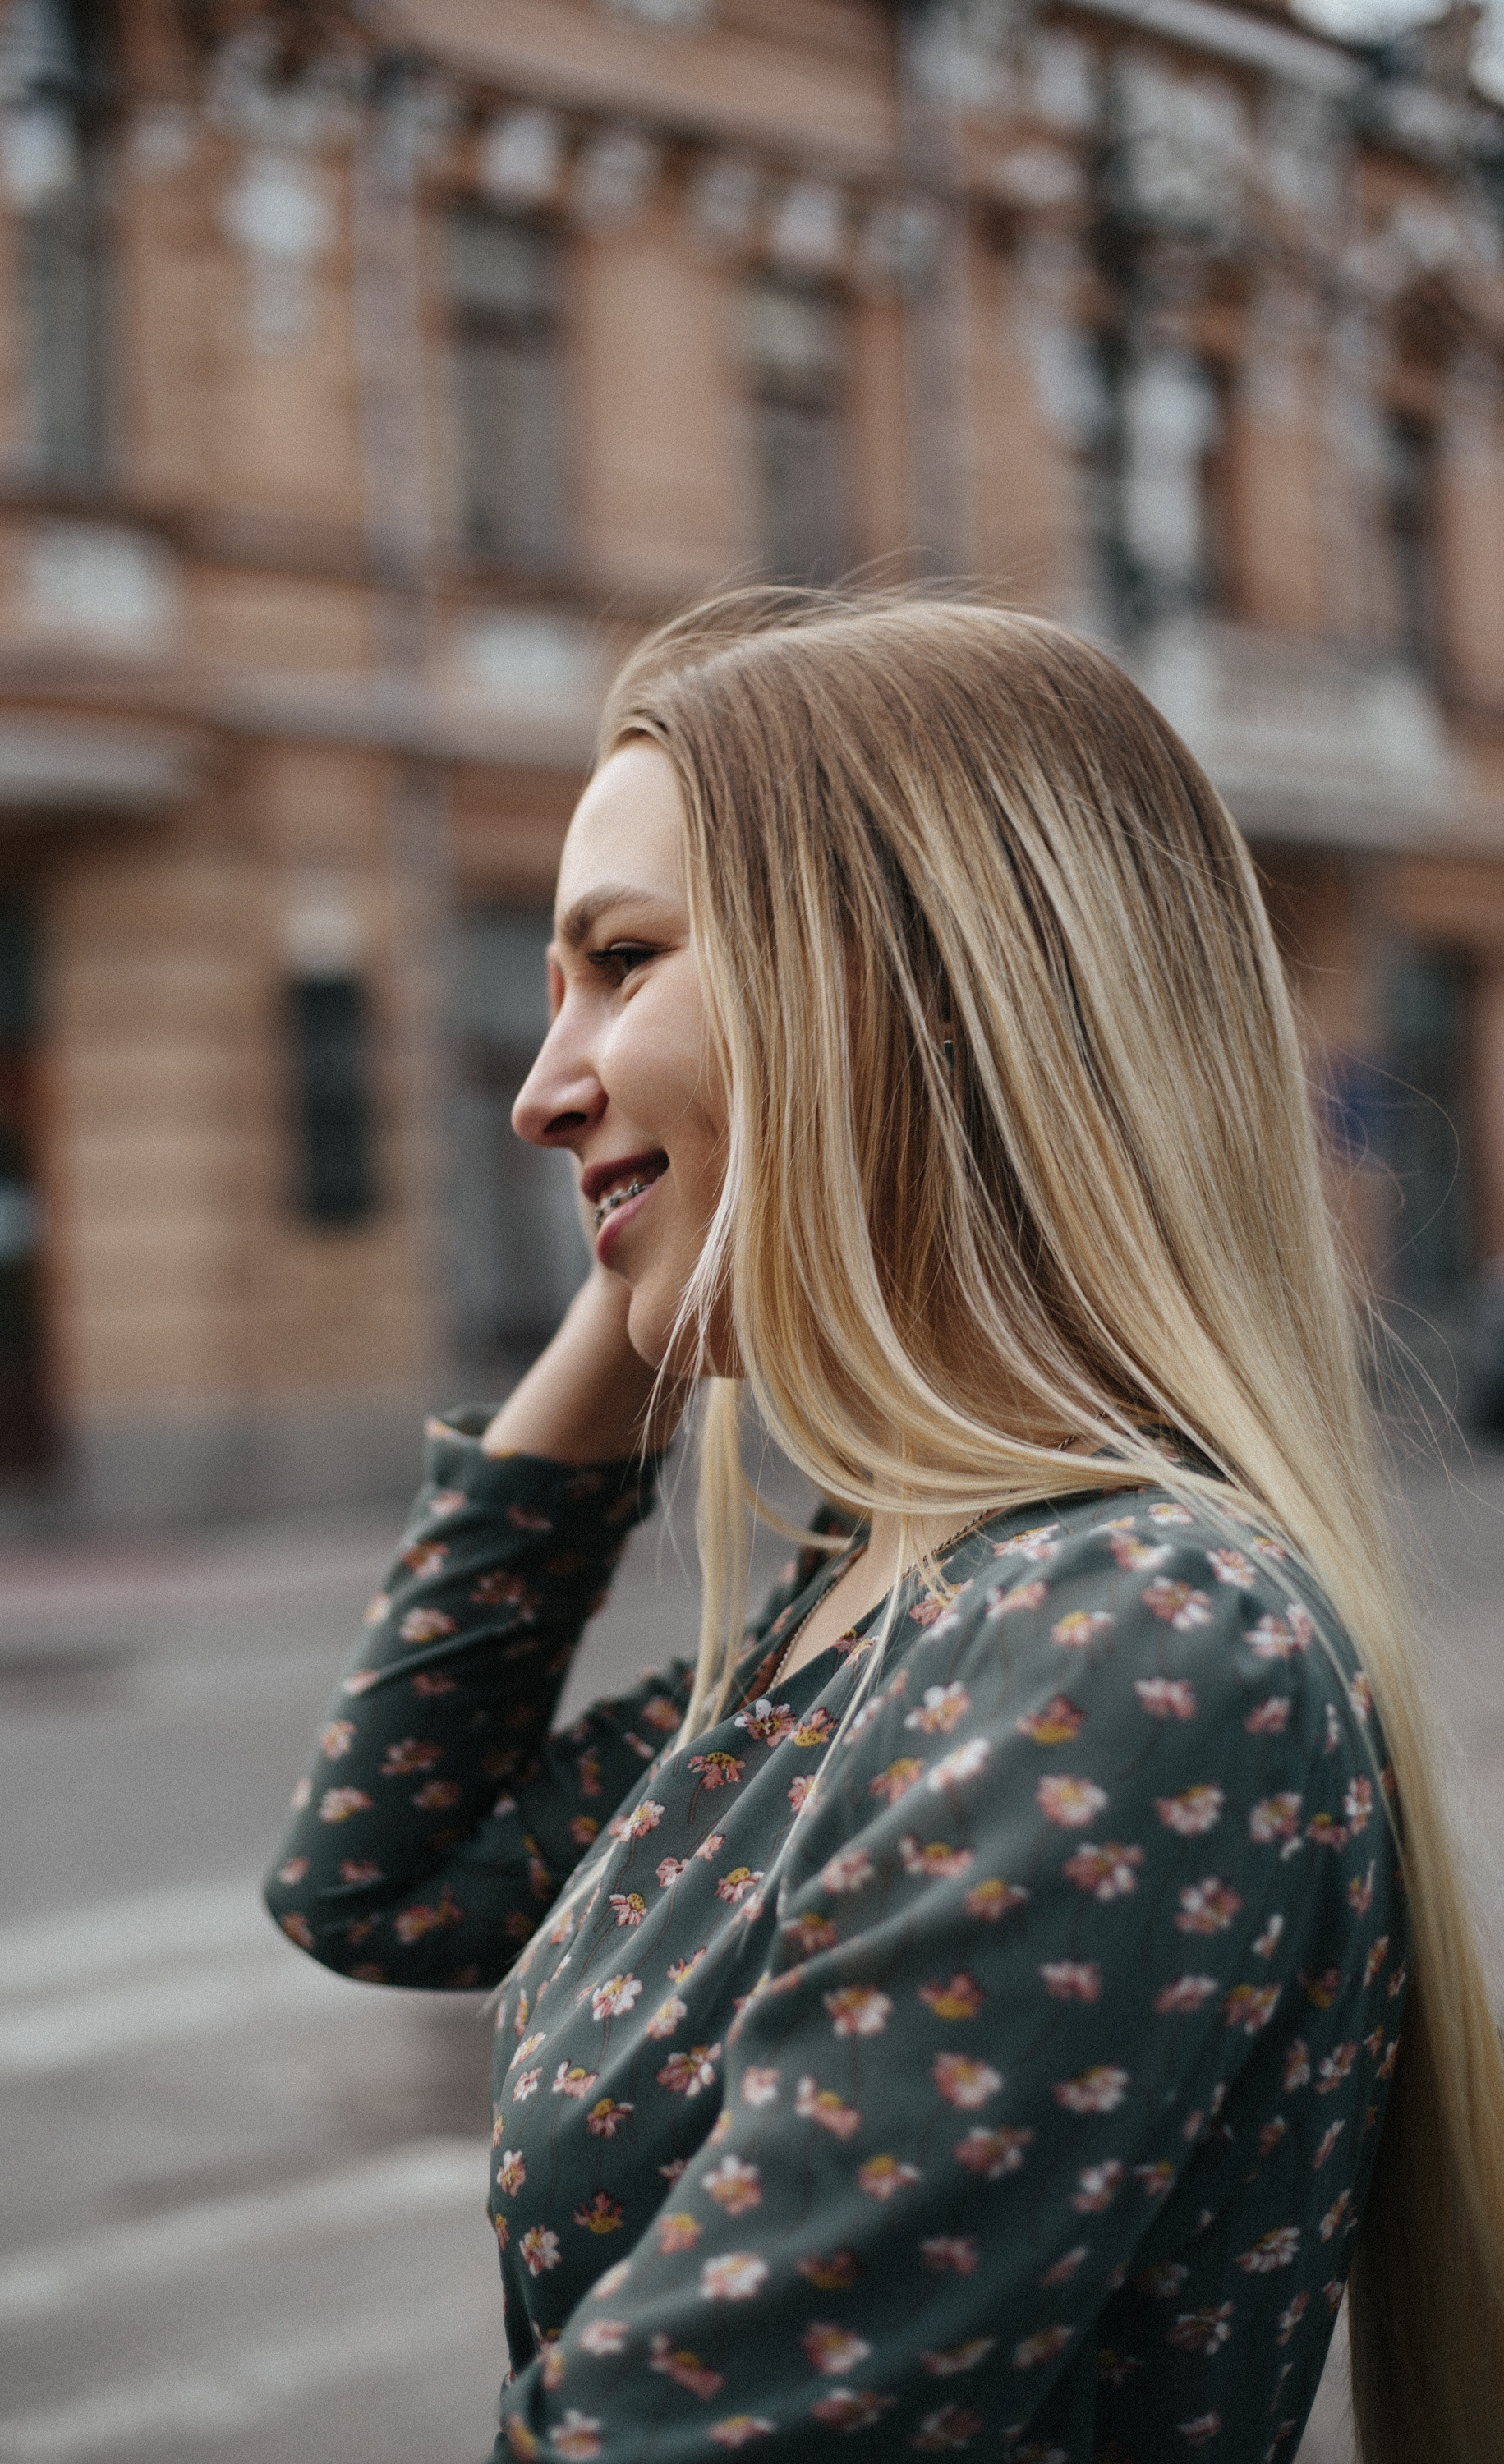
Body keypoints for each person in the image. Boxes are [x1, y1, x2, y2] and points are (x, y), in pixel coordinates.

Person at [266, 591, 1504, 2462]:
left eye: (619, 962)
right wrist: (660, 1204)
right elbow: (381, 1874)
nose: (535, 1091)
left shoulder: (1126, 1640)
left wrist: (730, 1140)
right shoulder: (893, 1585)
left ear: (897, 986)